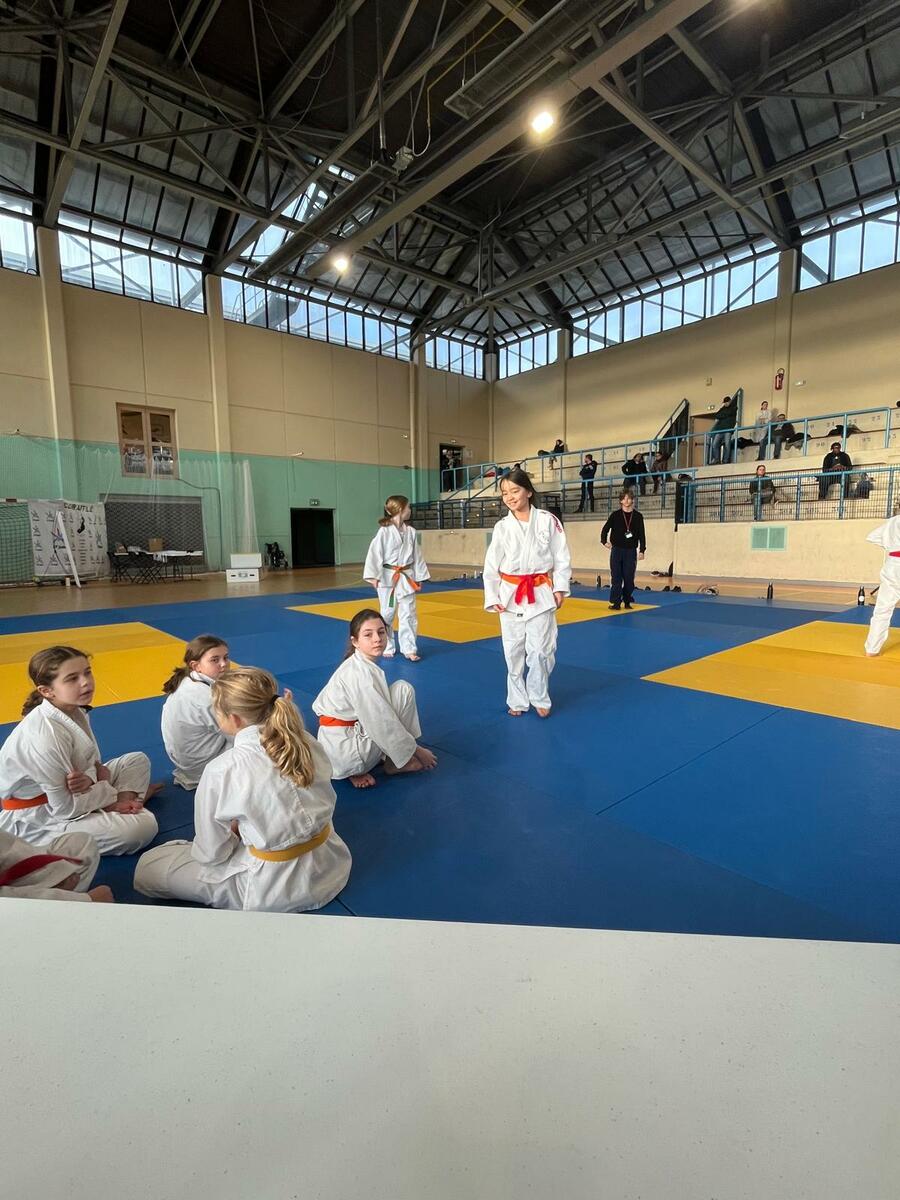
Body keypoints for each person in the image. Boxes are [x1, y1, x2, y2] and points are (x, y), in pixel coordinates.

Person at [135, 667, 351, 912]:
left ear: (234, 719)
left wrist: (236, 834)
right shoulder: (304, 740)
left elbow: (212, 854)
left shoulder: (223, 769)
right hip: (332, 863)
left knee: (149, 867)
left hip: (272, 888)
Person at [0, 646, 159, 855]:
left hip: (75, 793)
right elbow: (65, 809)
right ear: (47, 691)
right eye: (72, 678)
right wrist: (104, 786)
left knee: (136, 760)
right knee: (142, 828)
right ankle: (125, 802)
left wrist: (92, 780)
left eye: (87, 672)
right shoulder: (46, 736)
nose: (86, 682)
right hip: (39, 816)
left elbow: (91, 765)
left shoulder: (75, 710)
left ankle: (121, 804)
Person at [313, 610, 437, 789]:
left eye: (381, 632)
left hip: (345, 737)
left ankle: (395, 757)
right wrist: (417, 750)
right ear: (355, 641)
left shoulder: (360, 663)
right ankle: (378, 765)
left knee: (402, 690)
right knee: (384, 721)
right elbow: (381, 722)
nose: (377, 639)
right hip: (347, 751)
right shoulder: (360, 675)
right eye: (368, 635)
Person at [483, 469, 571, 718]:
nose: (509, 497)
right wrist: (492, 596)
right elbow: (491, 565)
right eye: (504, 493)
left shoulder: (547, 520)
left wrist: (559, 587)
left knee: (542, 650)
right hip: (510, 594)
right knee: (513, 651)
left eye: (515, 490)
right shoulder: (502, 527)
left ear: (529, 492)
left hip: (540, 592)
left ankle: (539, 695)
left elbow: (561, 556)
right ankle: (517, 699)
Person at [364, 494, 430, 661]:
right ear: (400, 509)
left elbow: (417, 555)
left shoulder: (411, 532)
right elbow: (375, 553)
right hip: (388, 577)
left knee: (409, 613)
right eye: (408, 507)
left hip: (406, 576)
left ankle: (409, 648)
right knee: (387, 613)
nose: (410, 510)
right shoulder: (384, 531)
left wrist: (419, 576)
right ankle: (387, 645)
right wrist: (373, 576)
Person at [161, 635, 232, 790]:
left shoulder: (187, 681)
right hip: (204, 768)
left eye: (226, 658)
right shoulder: (208, 698)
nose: (224, 664)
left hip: (186, 764)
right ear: (196, 665)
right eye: (215, 660)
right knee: (260, 742)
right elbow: (236, 735)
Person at [0, 828, 112, 902]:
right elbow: (62, 809)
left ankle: (51, 893)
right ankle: (59, 904)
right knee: (123, 832)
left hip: (17, 867)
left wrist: (54, 870)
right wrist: (85, 900)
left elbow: (14, 852)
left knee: (82, 841)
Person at [601, 490, 647, 610]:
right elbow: (605, 529)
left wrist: (642, 550)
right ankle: (616, 602)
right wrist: (604, 541)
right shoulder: (615, 515)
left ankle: (627, 600)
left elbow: (642, 535)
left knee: (629, 577)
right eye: (624, 498)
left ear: (632, 500)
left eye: (629, 498)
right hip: (616, 550)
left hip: (630, 551)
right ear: (621, 501)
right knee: (616, 577)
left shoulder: (638, 516)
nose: (626, 501)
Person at [864, 513, 900, 656]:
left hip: (892, 564)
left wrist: (889, 545)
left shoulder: (892, 522)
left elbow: (872, 536)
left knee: (882, 609)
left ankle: (872, 649)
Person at [707, 395, 737, 465]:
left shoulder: (734, 407)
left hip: (728, 429)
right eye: (724, 403)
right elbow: (717, 415)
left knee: (727, 445)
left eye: (726, 402)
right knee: (714, 444)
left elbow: (728, 413)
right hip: (720, 429)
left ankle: (725, 460)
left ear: (730, 401)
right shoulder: (723, 408)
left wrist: (722, 416)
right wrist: (723, 415)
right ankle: (716, 459)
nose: (725, 404)